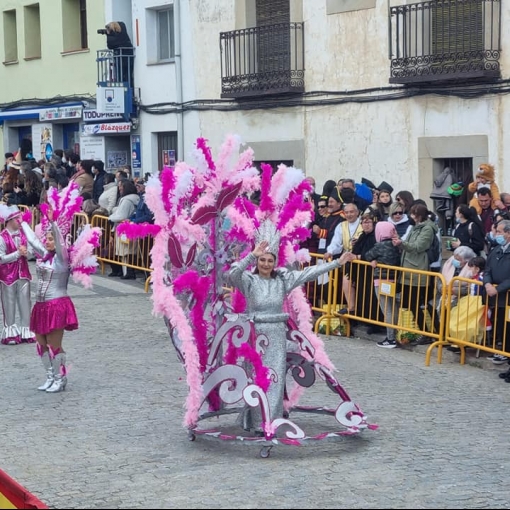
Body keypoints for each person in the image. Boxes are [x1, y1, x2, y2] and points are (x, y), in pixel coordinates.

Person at [229, 234, 352, 434]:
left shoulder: (283, 280)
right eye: (262, 260)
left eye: (270, 261)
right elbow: (233, 274)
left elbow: (310, 273)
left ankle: (270, 422)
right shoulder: (249, 280)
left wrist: (338, 263)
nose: (266, 264)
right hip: (255, 335)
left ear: (275, 263)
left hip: (277, 334)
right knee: (257, 378)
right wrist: (251, 255)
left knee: (275, 379)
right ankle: (255, 420)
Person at [21, 208, 78, 392]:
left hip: (57, 305)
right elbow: (32, 239)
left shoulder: (62, 258)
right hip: (41, 306)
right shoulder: (43, 255)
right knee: (41, 345)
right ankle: (50, 376)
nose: (48, 241)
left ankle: (61, 378)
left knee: (54, 346)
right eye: (47, 238)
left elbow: (60, 243)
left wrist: (53, 223)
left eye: (51, 238)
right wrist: (20, 221)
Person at [0, 205, 35, 345]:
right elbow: (1, 258)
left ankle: (26, 330)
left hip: (23, 274)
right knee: (9, 304)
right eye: (17, 219)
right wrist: (17, 254)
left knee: (25, 303)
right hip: (7, 277)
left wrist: (28, 254)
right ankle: (10, 332)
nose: (20, 221)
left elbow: (33, 251)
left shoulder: (24, 234)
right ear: (10, 220)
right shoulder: (2, 238)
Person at [105, 21, 134, 86]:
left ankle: (123, 90)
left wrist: (108, 34)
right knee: (128, 75)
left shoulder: (114, 36)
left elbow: (110, 46)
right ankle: (130, 89)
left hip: (121, 59)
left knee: (120, 76)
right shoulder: (123, 33)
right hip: (128, 58)